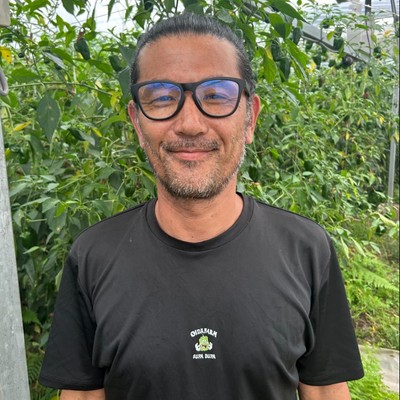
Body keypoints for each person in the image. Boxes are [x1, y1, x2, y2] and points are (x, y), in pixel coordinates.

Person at [39, 13, 364, 400]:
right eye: (162, 98)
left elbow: (326, 392)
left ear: (250, 118)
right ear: (137, 122)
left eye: (216, 96)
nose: (190, 124)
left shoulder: (306, 250)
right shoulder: (94, 256)